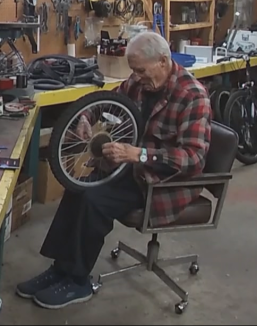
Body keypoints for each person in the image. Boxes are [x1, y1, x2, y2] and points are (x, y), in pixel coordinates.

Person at [16, 31, 211, 309]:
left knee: (94, 201)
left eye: (141, 70)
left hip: (164, 181)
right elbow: (109, 100)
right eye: (133, 70)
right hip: (131, 171)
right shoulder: (140, 82)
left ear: (163, 61)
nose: (136, 76)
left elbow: (194, 158)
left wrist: (138, 153)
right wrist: (86, 116)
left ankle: (78, 281)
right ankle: (60, 269)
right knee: (78, 188)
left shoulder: (193, 96)